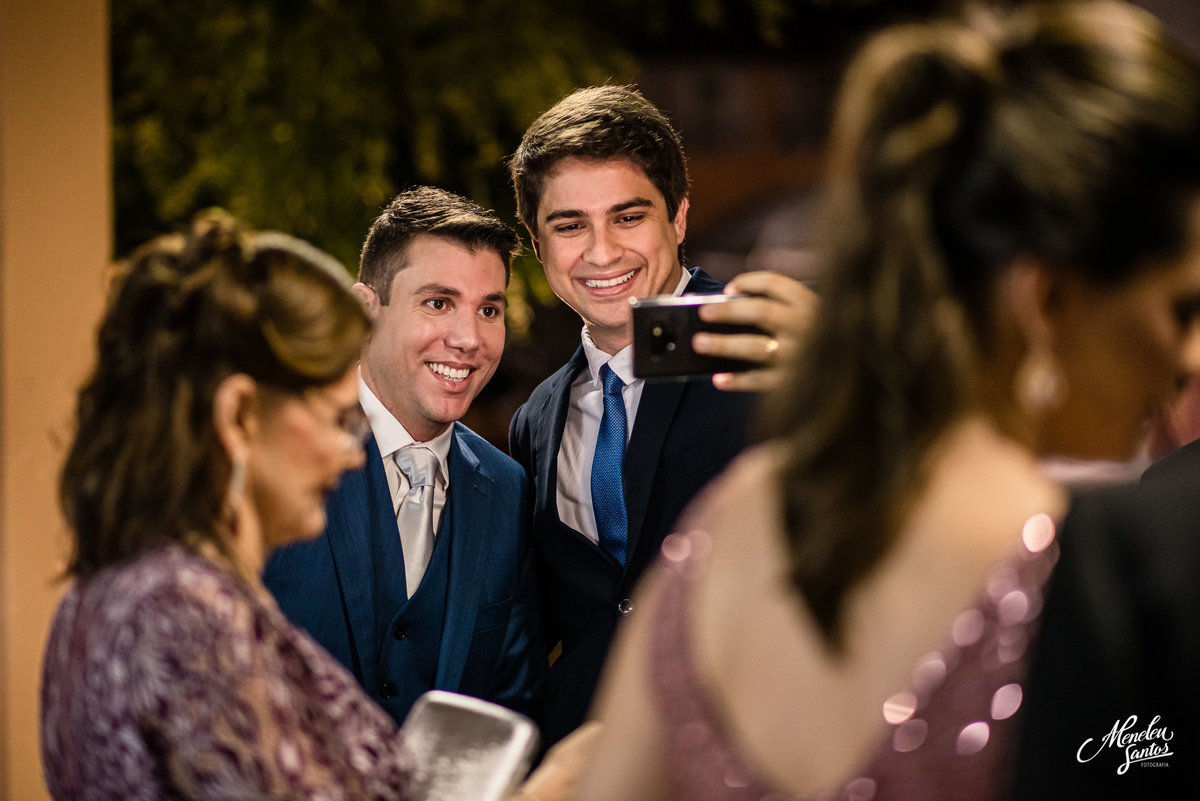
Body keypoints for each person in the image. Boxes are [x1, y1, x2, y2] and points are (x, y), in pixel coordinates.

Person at [574, 2, 1200, 800]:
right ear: (1047, 300)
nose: (1189, 355)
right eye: (1180, 309)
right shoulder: (1104, 573)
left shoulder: (726, 538)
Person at [41, 213, 409, 797]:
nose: (353, 456)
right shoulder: (185, 613)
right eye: (339, 420)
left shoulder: (96, 598)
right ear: (238, 414)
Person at [507, 85, 816, 746]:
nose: (601, 251)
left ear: (677, 218)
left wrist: (842, 377)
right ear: (538, 243)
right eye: (569, 225)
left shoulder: (771, 343)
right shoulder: (536, 419)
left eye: (628, 216)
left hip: (756, 747)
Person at [263, 186, 542, 725]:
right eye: (438, 303)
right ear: (366, 309)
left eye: (489, 309)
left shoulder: (507, 490)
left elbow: (510, 708)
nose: (469, 339)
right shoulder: (279, 457)